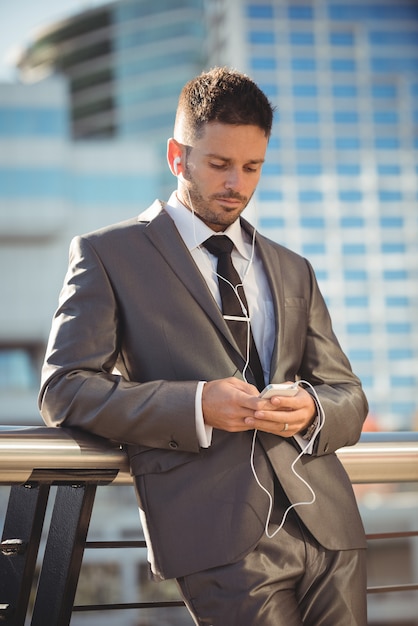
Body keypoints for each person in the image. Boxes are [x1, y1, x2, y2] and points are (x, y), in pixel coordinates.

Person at [39, 67, 368, 625]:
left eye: (252, 167)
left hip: (329, 527)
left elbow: (349, 395)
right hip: (217, 536)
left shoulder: (293, 268)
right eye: (219, 164)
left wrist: (313, 406)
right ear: (177, 156)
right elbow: (63, 389)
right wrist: (194, 405)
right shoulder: (107, 255)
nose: (236, 183)